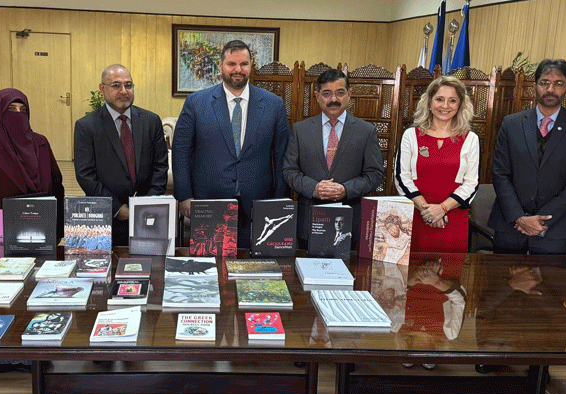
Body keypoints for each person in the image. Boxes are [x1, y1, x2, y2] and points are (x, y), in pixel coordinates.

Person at [172, 40, 290, 248]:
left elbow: (282, 155)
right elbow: (181, 151)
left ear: (251, 65)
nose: (238, 69)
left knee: (251, 262)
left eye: (244, 64)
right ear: (220, 65)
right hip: (209, 201)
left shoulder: (274, 104)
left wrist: (279, 201)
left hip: (257, 203)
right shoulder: (196, 103)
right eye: (231, 64)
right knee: (210, 261)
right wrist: (184, 196)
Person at [488, 59, 566, 255]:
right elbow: (500, 174)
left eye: (558, 83)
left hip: (555, 229)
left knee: (550, 277)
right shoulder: (512, 124)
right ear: (535, 85)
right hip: (510, 226)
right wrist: (520, 217)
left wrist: (540, 220)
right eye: (544, 82)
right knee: (503, 275)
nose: (550, 89)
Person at [283, 68, 383, 249]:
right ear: (317, 96)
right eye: (327, 93)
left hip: (349, 224)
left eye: (340, 93)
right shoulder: (300, 130)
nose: (333, 99)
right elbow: (289, 171)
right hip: (309, 223)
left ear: (349, 94)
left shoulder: (366, 131)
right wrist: (314, 188)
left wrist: (346, 189)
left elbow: (374, 174)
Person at [0, 88, 64, 261]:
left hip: (42, 234)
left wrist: (57, 230)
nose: (18, 114)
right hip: (0, 240)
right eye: (11, 109)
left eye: (23, 110)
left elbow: (56, 186)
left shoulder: (40, 143)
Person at [74, 64, 169, 246]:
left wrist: (147, 205)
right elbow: (86, 175)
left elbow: (160, 166)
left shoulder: (151, 121)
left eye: (129, 85)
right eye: (116, 85)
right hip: (107, 219)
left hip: (148, 217)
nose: (124, 91)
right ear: (102, 88)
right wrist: (117, 208)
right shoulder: (86, 126)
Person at [394, 75, 479, 252]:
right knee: (412, 269)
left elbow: (471, 183)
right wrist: (428, 212)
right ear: (429, 102)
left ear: (460, 105)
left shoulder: (470, 139)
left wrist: (442, 209)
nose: (445, 106)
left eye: (452, 100)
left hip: (452, 220)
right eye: (439, 99)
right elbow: (401, 177)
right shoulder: (411, 135)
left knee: (450, 269)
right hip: (415, 218)